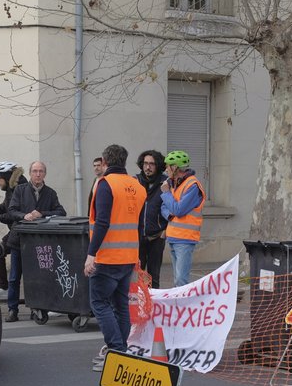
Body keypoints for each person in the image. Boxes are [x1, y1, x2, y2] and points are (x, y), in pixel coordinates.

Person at [86, 145, 144, 371]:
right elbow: (140, 224)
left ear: (104, 161)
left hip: (107, 257)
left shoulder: (105, 184)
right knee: (120, 306)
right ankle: (121, 351)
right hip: (129, 256)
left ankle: (116, 351)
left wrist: (91, 254)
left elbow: (102, 222)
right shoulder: (137, 186)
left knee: (99, 303)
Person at [3, 161, 66, 322]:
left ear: (45, 174)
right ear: (30, 173)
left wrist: (42, 213)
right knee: (14, 277)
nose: (38, 174)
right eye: (35, 171)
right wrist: (24, 216)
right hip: (19, 240)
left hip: (39, 243)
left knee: (37, 277)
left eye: (41, 171)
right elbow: (11, 211)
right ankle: (12, 309)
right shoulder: (20, 190)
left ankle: (36, 307)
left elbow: (61, 211)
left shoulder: (50, 193)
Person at [160, 150, 204, 287]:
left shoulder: (192, 186)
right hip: (173, 236)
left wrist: (166, 193)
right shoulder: (173, 183)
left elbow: (179, 210)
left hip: (185, 238)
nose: (166, 170)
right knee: (177, 279)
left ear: (175, 167)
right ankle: (178, 301)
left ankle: (183, 301)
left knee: (180, 280)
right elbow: (164, 206)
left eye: (168, 166)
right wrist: (169, 214)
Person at [0, 161, 27, 292]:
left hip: (19, 231)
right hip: (14, 231)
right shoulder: (11, 189)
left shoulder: (19, 189)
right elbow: (5, 207)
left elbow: (13, 214)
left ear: (6, 178)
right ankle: (4, 287)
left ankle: (3, 287)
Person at [135, 149, 168, 289]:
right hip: (138, 236)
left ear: (158, 165)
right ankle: (140, 301)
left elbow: (171, 207)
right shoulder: (135, 181)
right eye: (145, 163)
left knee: (154, 275)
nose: (147, 167)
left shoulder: (165, 183)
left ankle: (154, 302)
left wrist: (165, 231)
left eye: (152, 164)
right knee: (137, 275)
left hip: (157, 237)